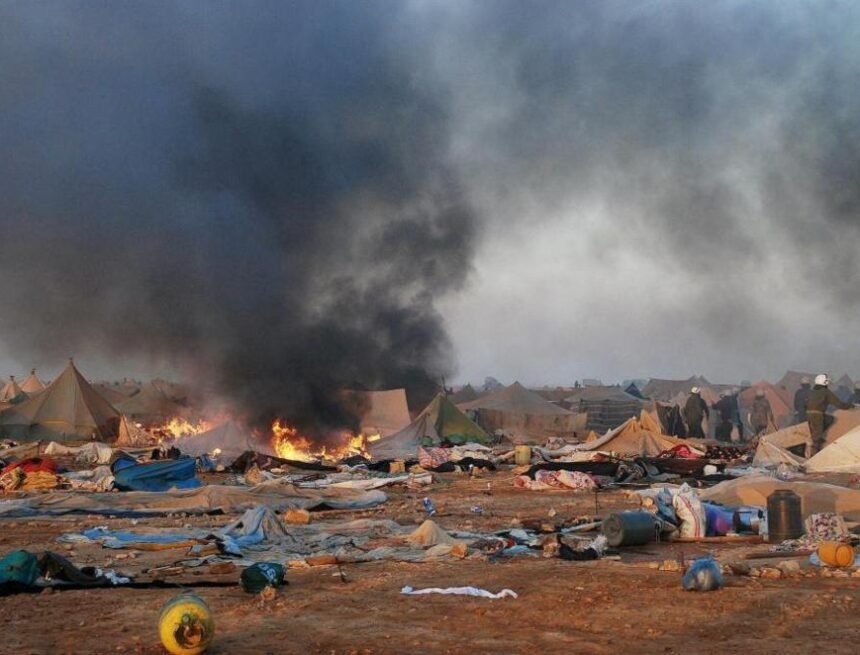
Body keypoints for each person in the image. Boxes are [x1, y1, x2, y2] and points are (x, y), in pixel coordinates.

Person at [806, 374, 854, 454]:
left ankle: (817, 436)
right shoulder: (825, 392)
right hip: (817, 414)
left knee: (829, 419)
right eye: (827, 382)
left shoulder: (812, 391)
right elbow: (839, 404)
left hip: (808, 414)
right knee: (816, 437)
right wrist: (850, 406)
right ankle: (814, 456)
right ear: (824, 382)